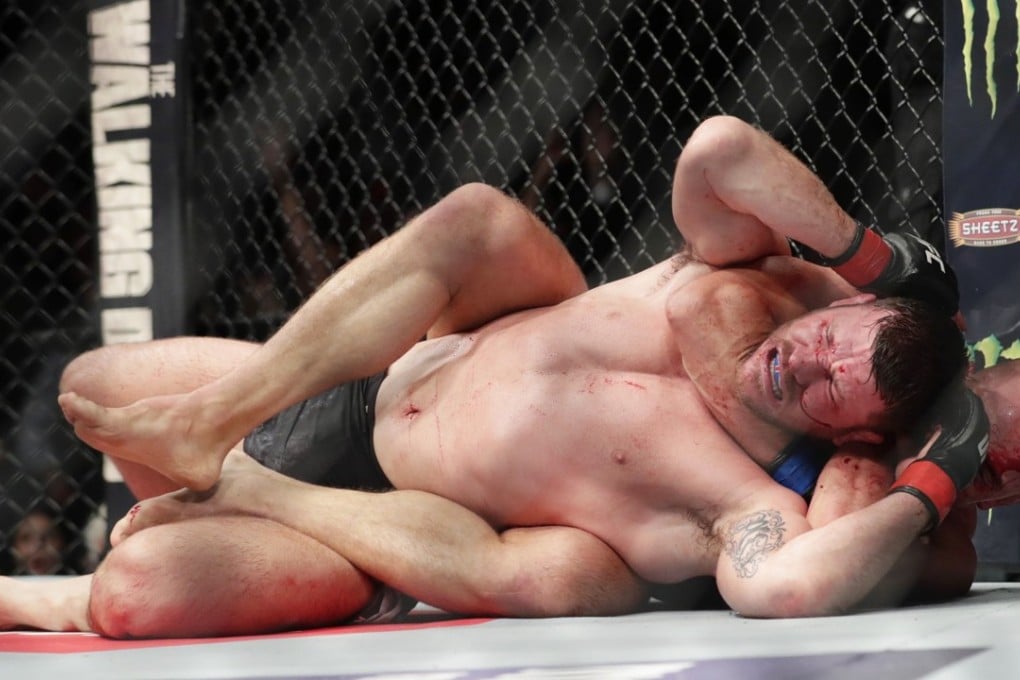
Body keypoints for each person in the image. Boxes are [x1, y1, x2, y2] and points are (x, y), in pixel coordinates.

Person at [7, 115, 984, 638]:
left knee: (132, 591)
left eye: (825, 392)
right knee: (94, 379)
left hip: (380, 522)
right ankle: (222, 418)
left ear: (849, 432)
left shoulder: (743, 494)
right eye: (827, 345)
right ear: (845, 306)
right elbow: (718, 148)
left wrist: (935, 479)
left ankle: (160, 528)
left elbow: (789, 590)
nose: (799, 367)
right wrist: (868, 254)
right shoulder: (750, 272)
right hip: (378, 376)